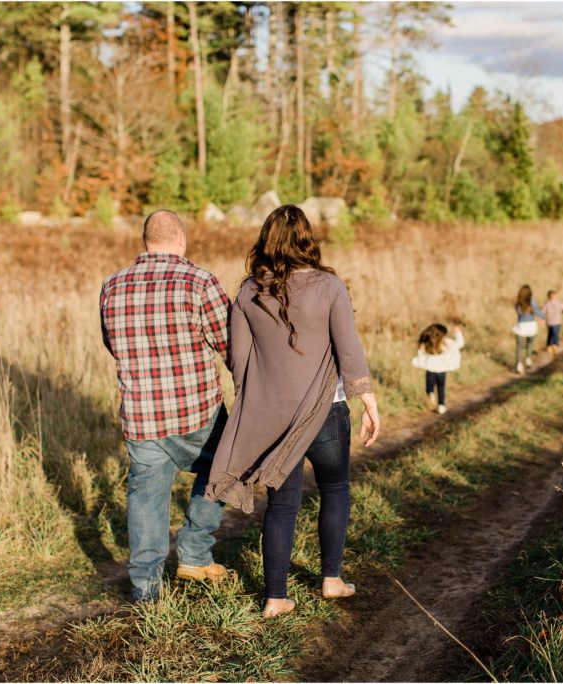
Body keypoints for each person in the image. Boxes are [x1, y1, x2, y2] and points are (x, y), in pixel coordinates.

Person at [205, 205, 381, 619]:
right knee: (335, 489)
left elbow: (240, 362)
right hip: (326, 410)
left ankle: (275, 598)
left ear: (266, 240)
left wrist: (255, 407)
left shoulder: (249, 291)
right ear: (307, 238)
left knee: (281, 505)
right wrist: (368, 401)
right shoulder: (329, 285)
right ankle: (332, 579)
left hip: (272, 416)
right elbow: (349, 349)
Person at [99, 209, 231, 604]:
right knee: (223, 469)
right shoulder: (200, 281)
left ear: (145, 241)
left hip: (141, 414)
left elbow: (112, 344)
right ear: (182, 239)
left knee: (146, 497)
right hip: (197, 413)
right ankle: (193, 552)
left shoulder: (112, 285)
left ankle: (145, 587)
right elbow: (231, 346)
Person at [412, 323, 465, 415]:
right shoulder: (446, 344)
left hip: (430, 370)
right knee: (441, 387)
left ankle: (431, 393)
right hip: (442, 371)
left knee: (429, 384)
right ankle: (441, 405)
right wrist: (458, 333)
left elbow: (421, 353)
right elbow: (460, 344)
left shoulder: (427, 344)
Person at [513, 284, 544, 374]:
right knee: (530, 344)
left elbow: (518, 313)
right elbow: (537, 311)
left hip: (521, 326)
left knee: (520, 347)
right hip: (531, 325)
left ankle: (519, 364)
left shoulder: (518, 303)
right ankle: (528, 359)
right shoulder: (532, 302)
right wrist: (544, 317)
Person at [542, 290, 563, 354]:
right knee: (555, 334)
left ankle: (549, 346)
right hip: (557, 322)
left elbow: (543, 312)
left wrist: (543, 319)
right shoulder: (559, 303)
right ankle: (555, 346)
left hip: (549, 322)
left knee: (550, 334)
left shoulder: (547, 303)